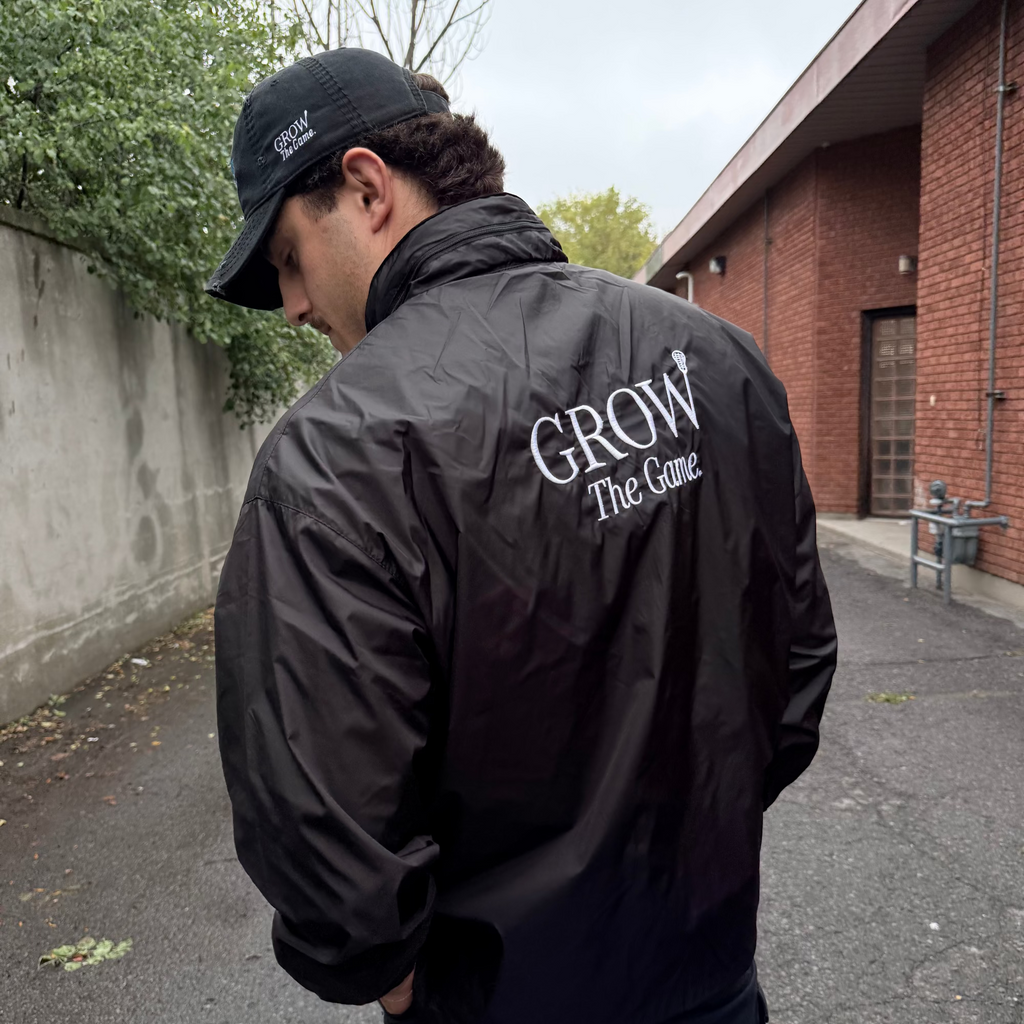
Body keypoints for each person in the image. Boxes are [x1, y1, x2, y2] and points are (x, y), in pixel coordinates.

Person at [207, 47, 837, 1024]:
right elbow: (792, 673)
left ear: (366, 187)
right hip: (709, 983)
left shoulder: (336, 455)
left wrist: (399, 974)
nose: (291, 303)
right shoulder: (714, 359)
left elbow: (326, 842)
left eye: (289, 257)